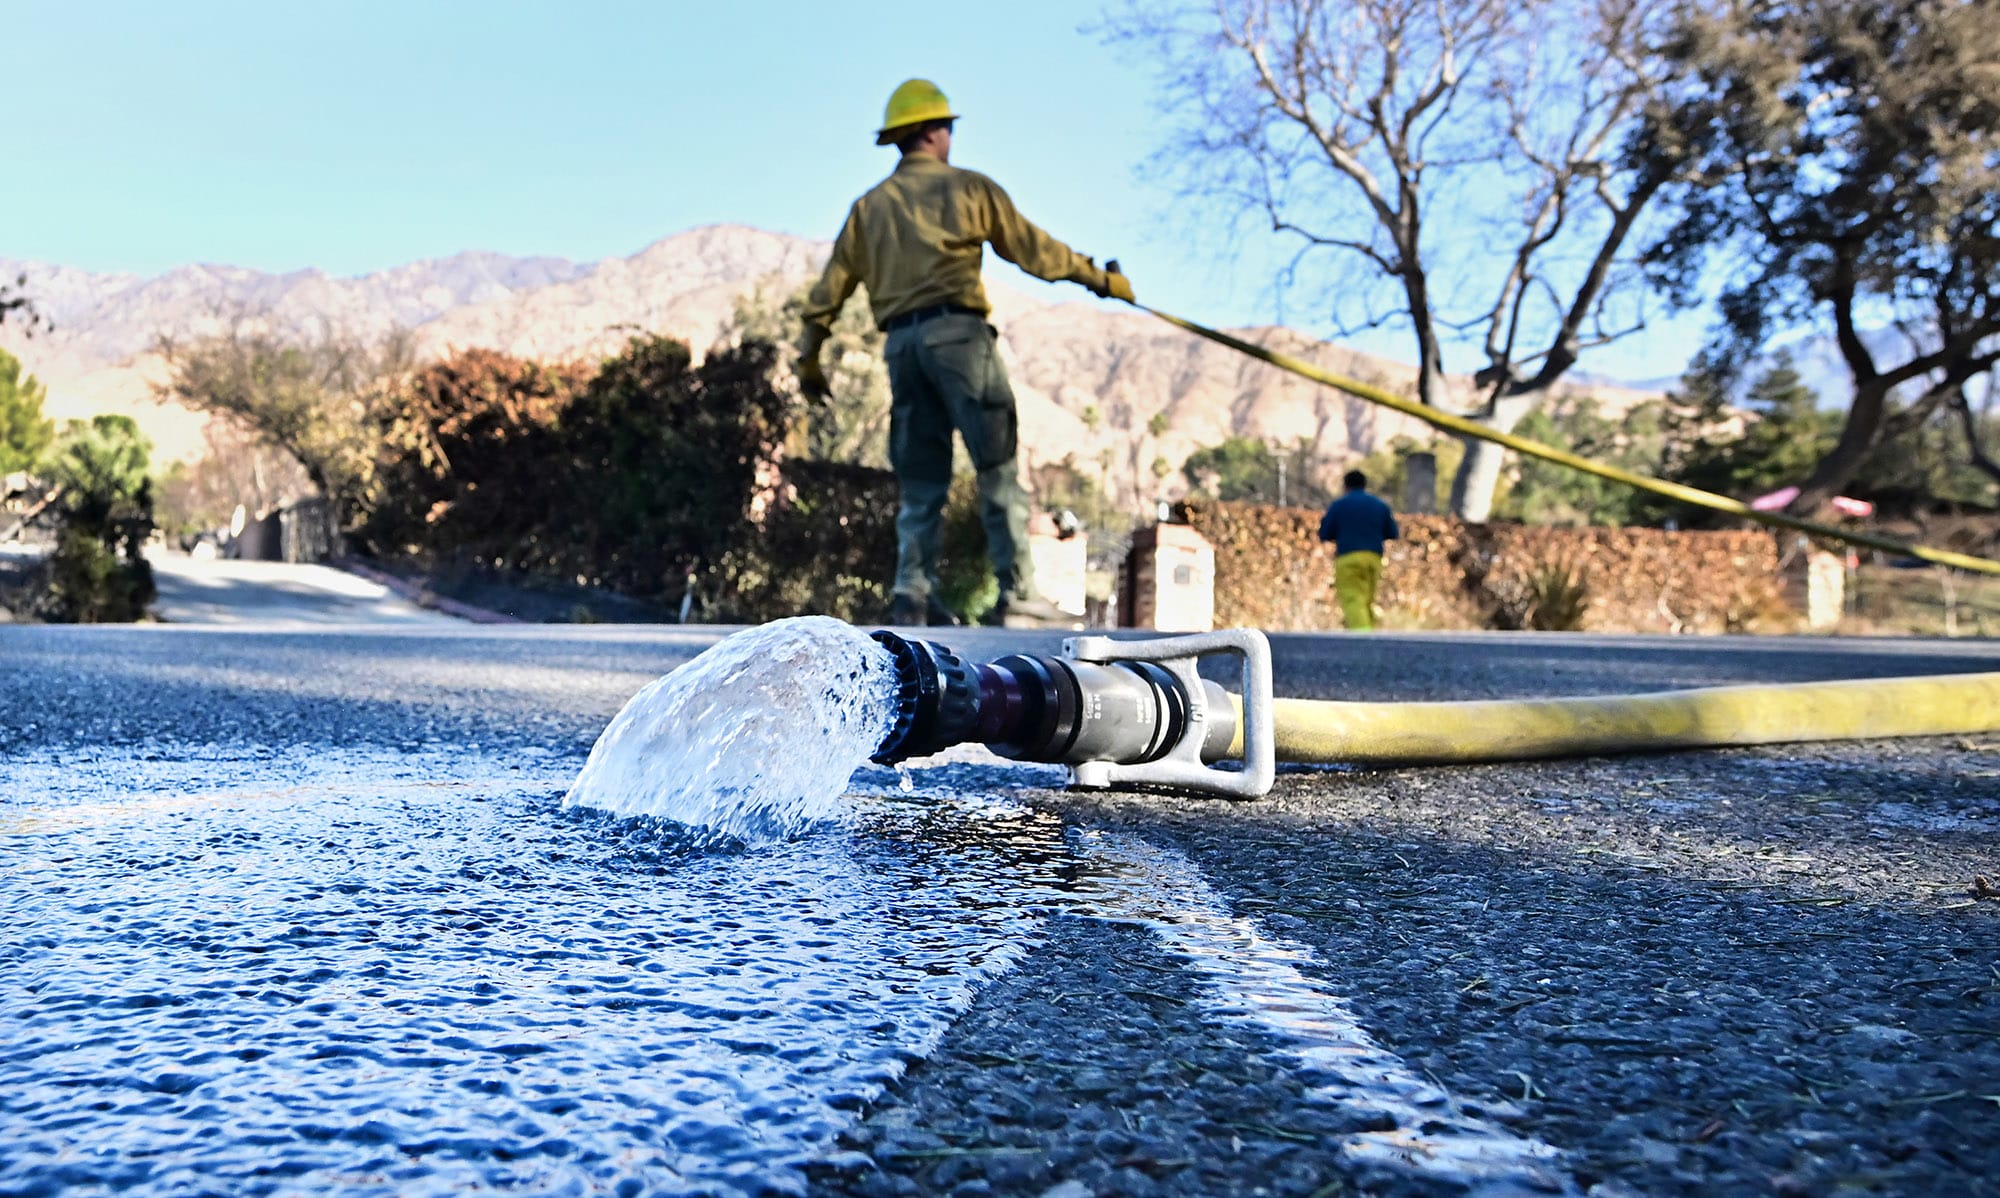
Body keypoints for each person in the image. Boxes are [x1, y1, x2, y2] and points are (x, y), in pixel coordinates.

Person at [797, 78, 1134, 628]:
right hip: (959, 339)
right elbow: (1034, 251)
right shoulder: (969, 190)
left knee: (922, 480)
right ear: (934, 132)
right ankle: (1019, 592)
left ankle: (911, 595)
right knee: (997, 468)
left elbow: (826, 295)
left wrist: (808, 361)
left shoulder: (868, 209)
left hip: (902, 349)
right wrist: (1098, 278)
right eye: (948, 126)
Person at [1317, 470, 1399, 631]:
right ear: (1364, 484)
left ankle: (1362, 639)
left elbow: (1325, 533)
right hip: (1374, 558)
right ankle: (1370, 633)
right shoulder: (1380, 505)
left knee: (1353, 597)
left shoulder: (1339, 505)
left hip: (1348, 557)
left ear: (1345, 486)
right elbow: (1392, 533)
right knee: (1368, 599)